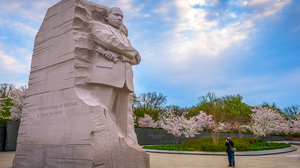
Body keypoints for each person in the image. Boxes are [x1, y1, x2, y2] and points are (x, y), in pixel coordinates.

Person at [88, 6, 141, 145]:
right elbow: (108, 41)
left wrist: (122, 55)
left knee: (123, 119)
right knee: (101, 112)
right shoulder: (98, 26)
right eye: (116, 15)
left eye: (122, 17)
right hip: (106, 75)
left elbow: (136, 59)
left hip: (126, 79)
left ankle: (124, 144)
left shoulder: (125, 39)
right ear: (106, 17)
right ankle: (102, 143)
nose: (120, 19)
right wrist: (131, 52)